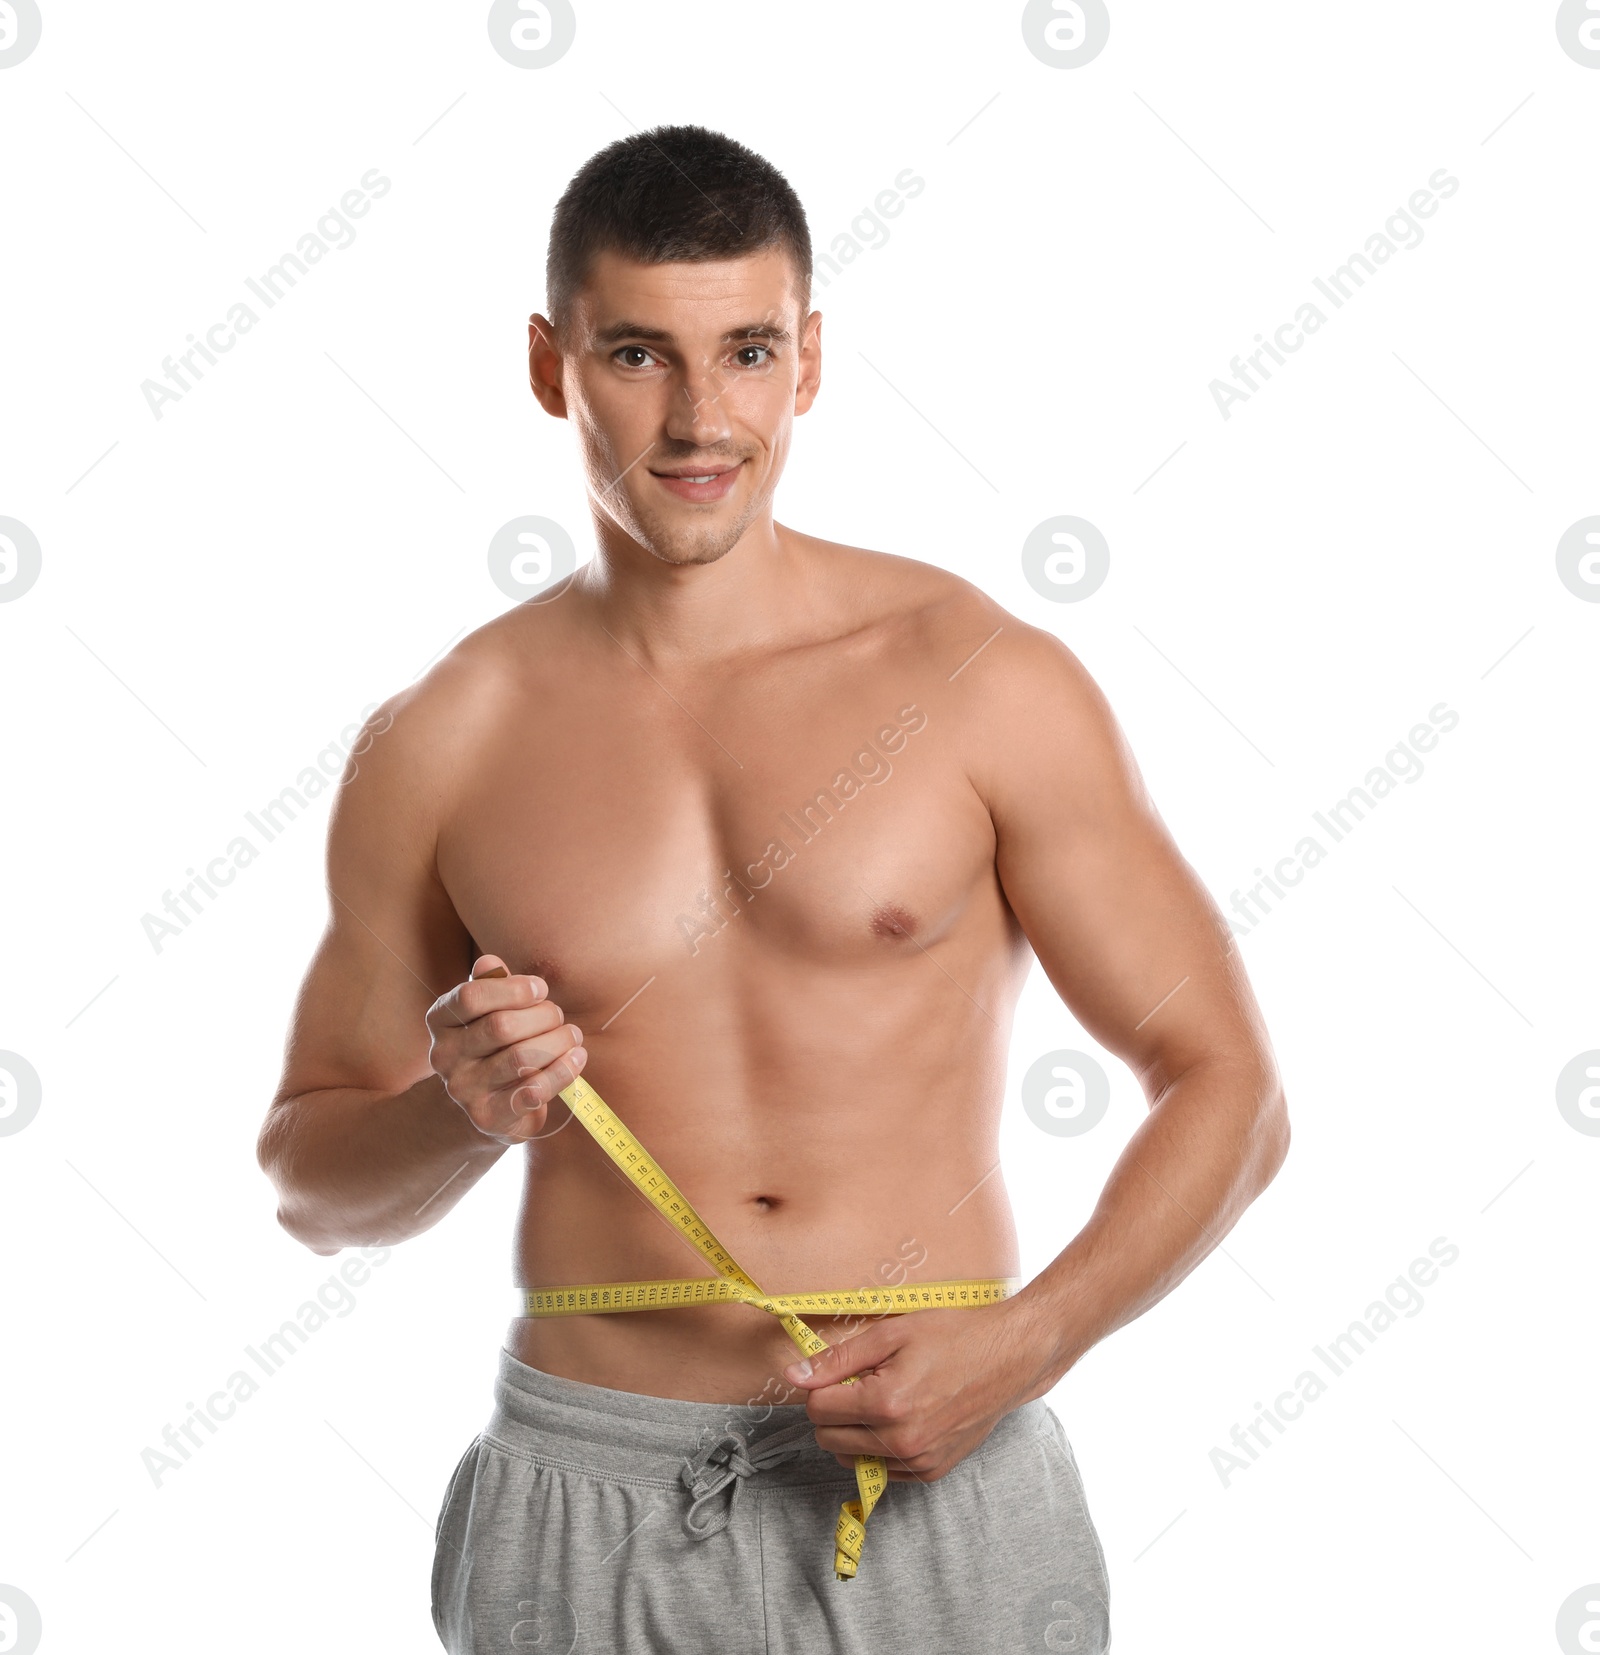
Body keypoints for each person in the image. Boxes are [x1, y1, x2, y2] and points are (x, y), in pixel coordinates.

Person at [256, 124, 1289, 1654]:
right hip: (582, 1487)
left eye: (746, 351)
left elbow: (1230, 1089)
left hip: (942, 1464)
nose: (697, 419)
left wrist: (1027, 1345)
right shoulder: (443, 741)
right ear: (551, 365)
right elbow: (311, 1186)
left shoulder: (979, 680)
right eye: (635, 353)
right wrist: (455, 1110)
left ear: (808, 361)